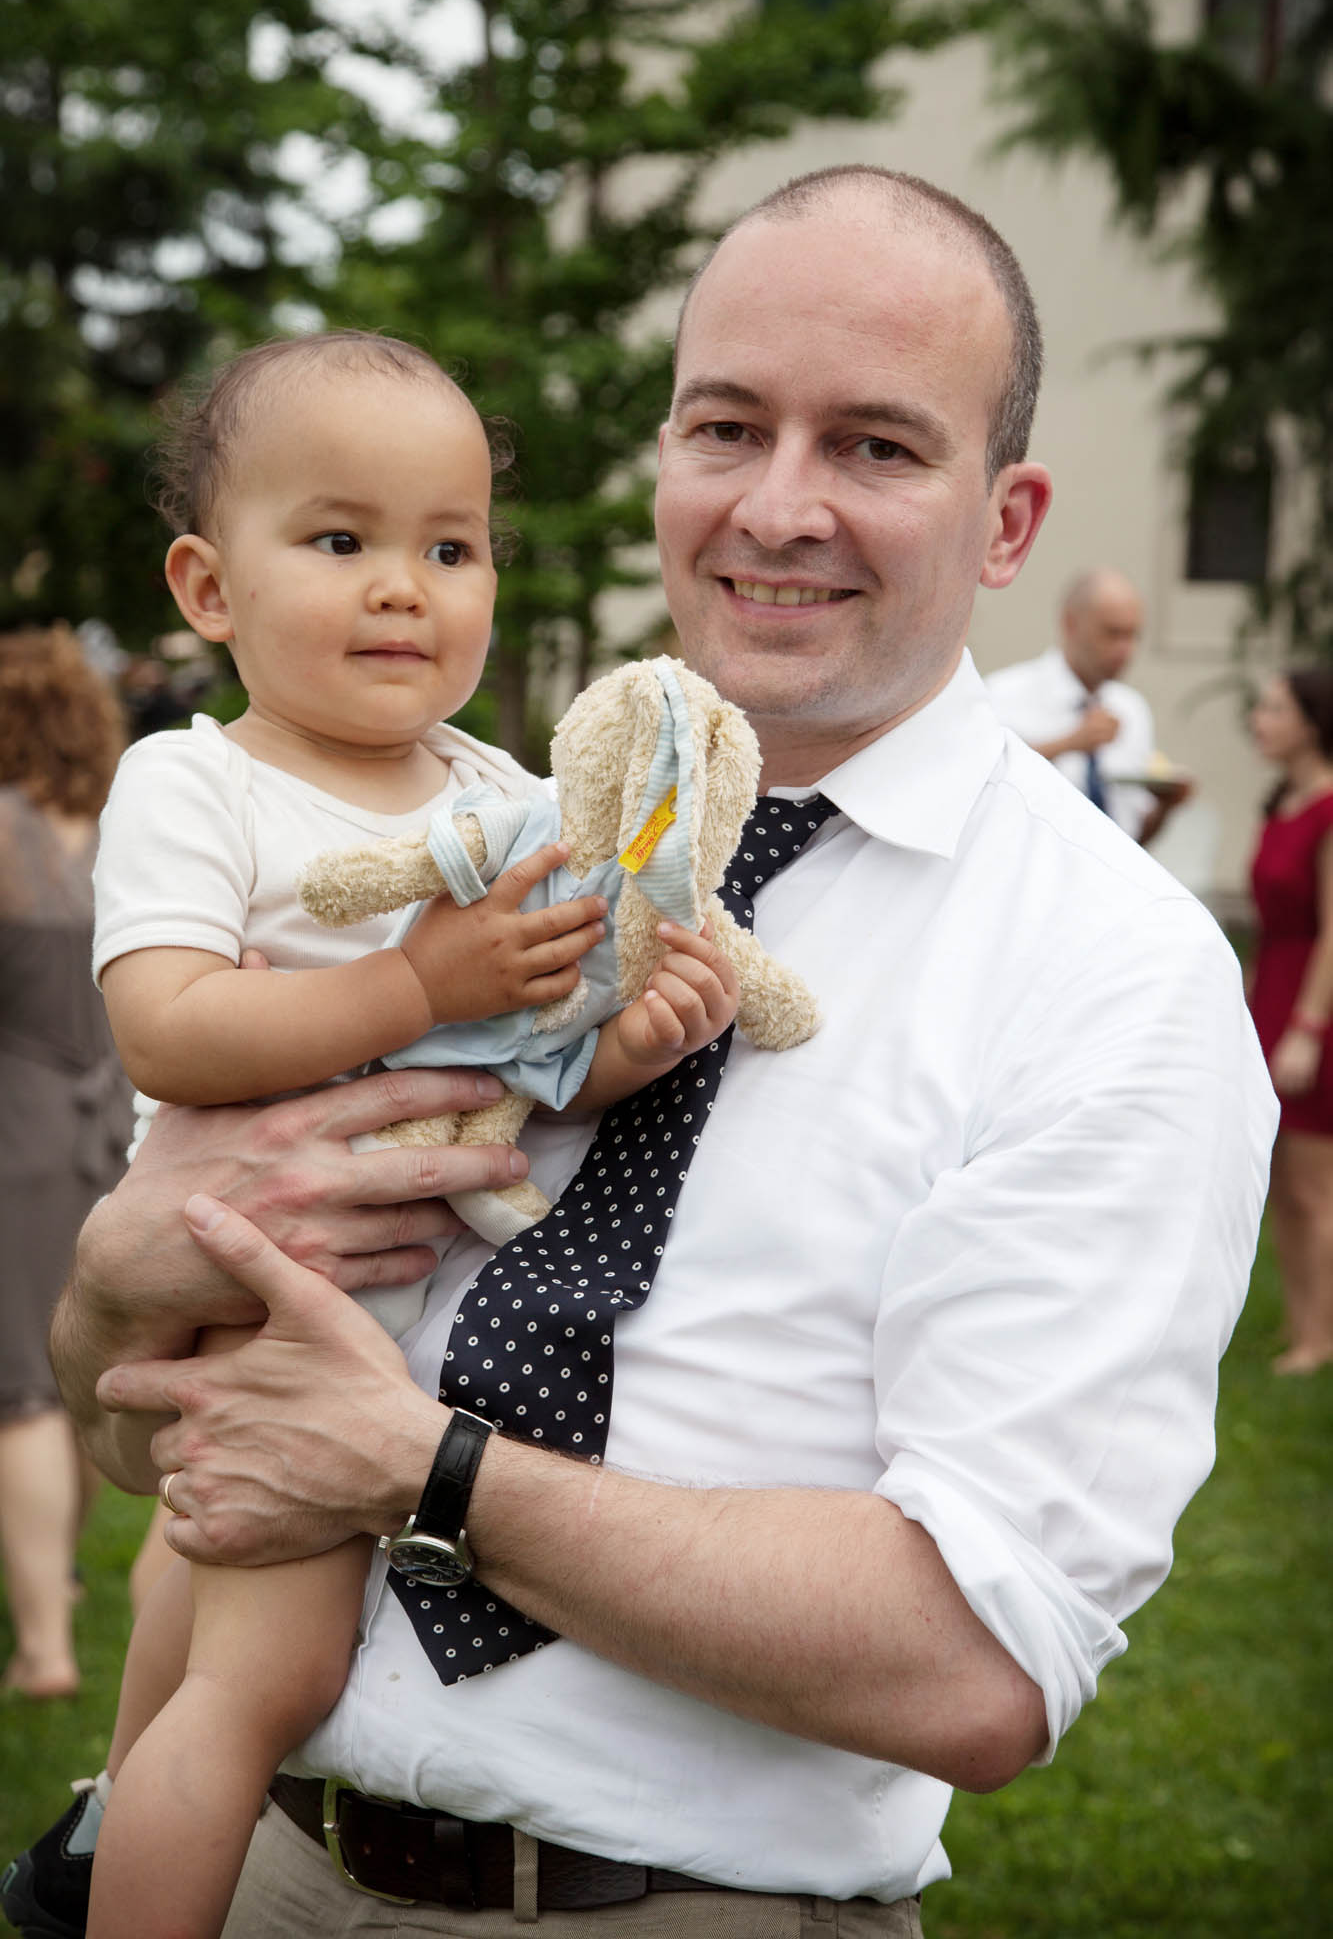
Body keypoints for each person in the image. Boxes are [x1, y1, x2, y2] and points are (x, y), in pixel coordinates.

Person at [36, 167, 1276, 1938]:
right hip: (262, 1867)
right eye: (726, 427)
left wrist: (425, 1467)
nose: (777, 506)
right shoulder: (504, 834)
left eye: (873, 446)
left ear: (1005, 522)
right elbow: (157, 1435)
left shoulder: (1109, 973)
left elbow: (976, 1665)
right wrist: (111, 1302)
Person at [8, 331, 737, 1939]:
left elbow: (514, 1066)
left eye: (450, 549)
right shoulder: (198, 785)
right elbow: (168, 1024)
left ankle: (105, 1827)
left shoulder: (497, 787)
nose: (405, 588)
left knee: (189, 1588)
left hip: (393, 1288)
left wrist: (630, 1043)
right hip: (266, 1285)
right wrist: (414, 981)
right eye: (340, 541)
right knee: (262, 1688)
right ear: (209, 587)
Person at [0, 626, 132, 1701]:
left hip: (22, 1125)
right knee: (78, 1373)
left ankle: (43, 1645)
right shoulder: (121, 827)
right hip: (120, 1120)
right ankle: (67, 1585)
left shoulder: (2, 829)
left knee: (21, 1389)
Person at [1247, 668, 1333, 1375]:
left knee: (1313, 1185)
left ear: (1311, 721)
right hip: (1270, 993)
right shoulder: (1280, 803)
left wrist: (1307, 1028)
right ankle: (1301, 1324)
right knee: (1279, 1183)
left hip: (1313, 1004)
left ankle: (1320, 1337)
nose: (1260, 719)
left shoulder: (1329, 809)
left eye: (1275, 709)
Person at [984, 567, 1191, 844]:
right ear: (1070, 624)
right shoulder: (1004, 694)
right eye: (1112, 633)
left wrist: (1166, 806)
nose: (1125, 650)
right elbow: (981, 786)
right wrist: (1069, 743)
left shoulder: (1131, 708)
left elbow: (1131, 838)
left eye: (1132, 635)